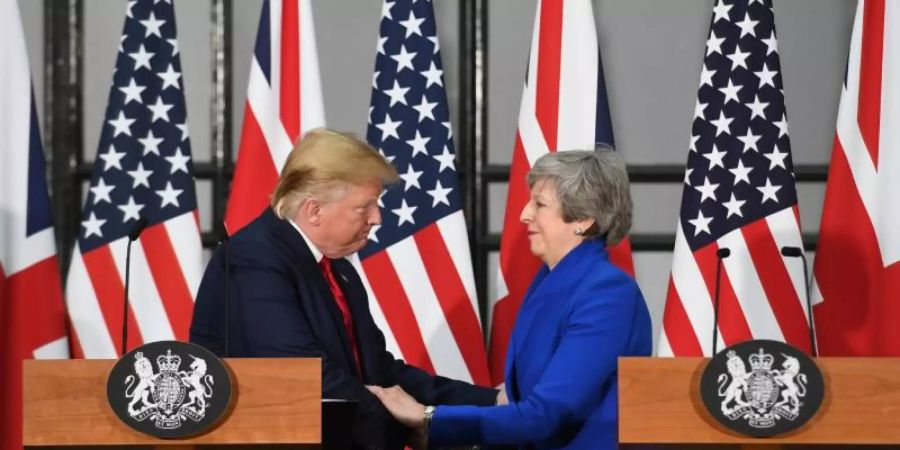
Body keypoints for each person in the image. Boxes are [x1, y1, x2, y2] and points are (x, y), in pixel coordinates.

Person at [189, 128, 500, 450]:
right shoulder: (255, 258)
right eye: (365, 206)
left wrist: (490, 403)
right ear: (314, 210)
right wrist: (420, 426)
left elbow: (377, 370)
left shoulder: (334, 266)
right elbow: (306, 378)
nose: (377, 217)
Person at [368, 148, 652, 450]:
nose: (524, 214)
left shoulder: (607, 293)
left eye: (539, 204)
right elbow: (519, 396)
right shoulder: (552, 281)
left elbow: (546, 413)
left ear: (583, 218)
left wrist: (429, 417)